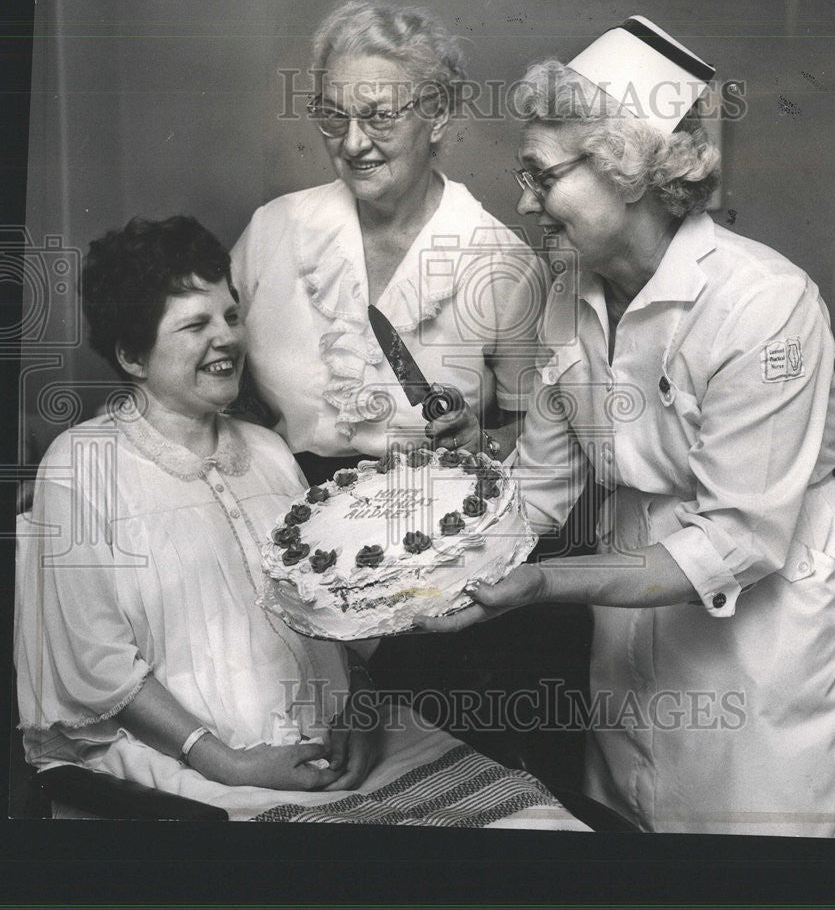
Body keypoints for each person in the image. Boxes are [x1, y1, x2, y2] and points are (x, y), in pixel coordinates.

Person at [419, 18, 835, 838]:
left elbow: (739, 537)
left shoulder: (764, 304)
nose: (524, 201)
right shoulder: (568, 296)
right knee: (636, 829)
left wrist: (549, 583)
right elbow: (539, 488)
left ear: (626, 171)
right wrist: (438, 539)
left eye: (540, 175)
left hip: (767, 628)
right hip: (630, 612)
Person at [13, 216, 586, 828]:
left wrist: (361, 715)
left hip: (340, 748)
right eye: (195, 324)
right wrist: (228, 763)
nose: (227, 338)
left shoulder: (266, 449)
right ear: (131, 354)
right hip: (191, 774)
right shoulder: (81, 466)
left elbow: (332, 611)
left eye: (231, 316)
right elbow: (97, 667)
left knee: (538, 830)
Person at [230, 0, 547, 485]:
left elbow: (538, 435)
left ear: (437, 115)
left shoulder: (503, 264)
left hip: (430, 518)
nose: (353, 143)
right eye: (334, 117)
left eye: (378, 117)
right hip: (282, 508)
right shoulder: (273, 230)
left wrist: (480, 442)